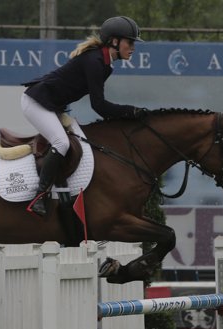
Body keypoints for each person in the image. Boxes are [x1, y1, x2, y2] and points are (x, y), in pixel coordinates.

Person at [22, 16, 147, 217]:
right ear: (114, 41)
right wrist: (130, 111)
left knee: (79, 141)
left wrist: (129, 112)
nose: (133, 48)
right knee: (62, 143)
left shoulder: (104, 63)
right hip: (36, 103)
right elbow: (99, 106)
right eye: (130, 42)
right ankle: (40, 196)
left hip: (51, 106)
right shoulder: (95, 61)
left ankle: (64, 193)